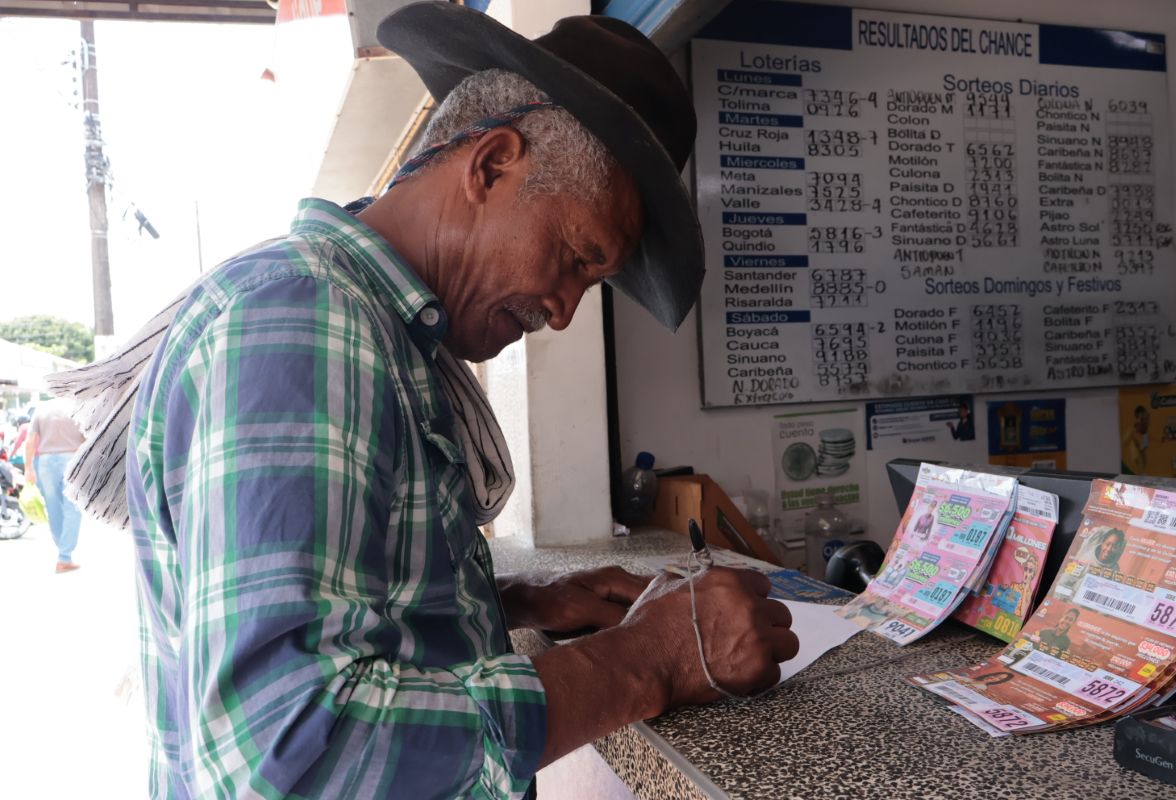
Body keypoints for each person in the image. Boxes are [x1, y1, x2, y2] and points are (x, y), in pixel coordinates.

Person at [54, 6, 798, 799]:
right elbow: (289, 751)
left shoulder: (370, 331)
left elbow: (350, 597)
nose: (565, 311)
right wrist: (650, 659)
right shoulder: (301, 324)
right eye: (575, 257)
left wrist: (510, 602)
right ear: (492, 164)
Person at [24, 398, 84, 573]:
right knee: (73, 507)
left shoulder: (41, 409)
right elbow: (87, 436)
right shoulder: (77, 406)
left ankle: (63, 552)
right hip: (72, 459)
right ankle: (64, 557)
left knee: (53, 507)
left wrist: (28, 468)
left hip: (46, 461)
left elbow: (30, 440)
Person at [1122, 404, 1150, 474]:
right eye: (1142, 418)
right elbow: (1124, 441)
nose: (1146, 420)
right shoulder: (1133, 430)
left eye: (1146, 417)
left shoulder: (1145, 434)